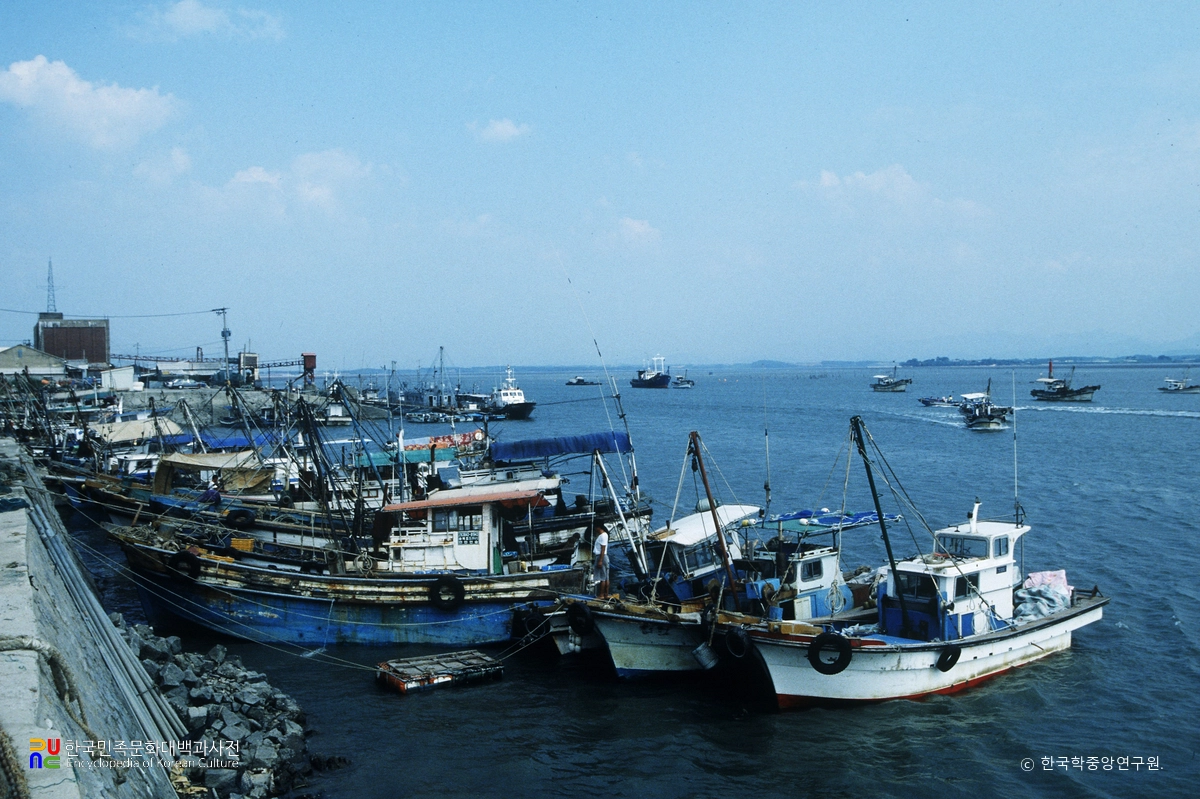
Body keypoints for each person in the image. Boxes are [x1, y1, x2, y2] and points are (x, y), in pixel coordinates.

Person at [592, 525, 609, 598]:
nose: (595, 529)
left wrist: (600, 560)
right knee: (606, 577)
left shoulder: (602, 536)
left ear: (598, 527)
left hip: (601, 556)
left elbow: (603, 548)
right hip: (603, 556)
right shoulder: (604, 535)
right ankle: (606, 594)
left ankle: (601, 595)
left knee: (602, 577)